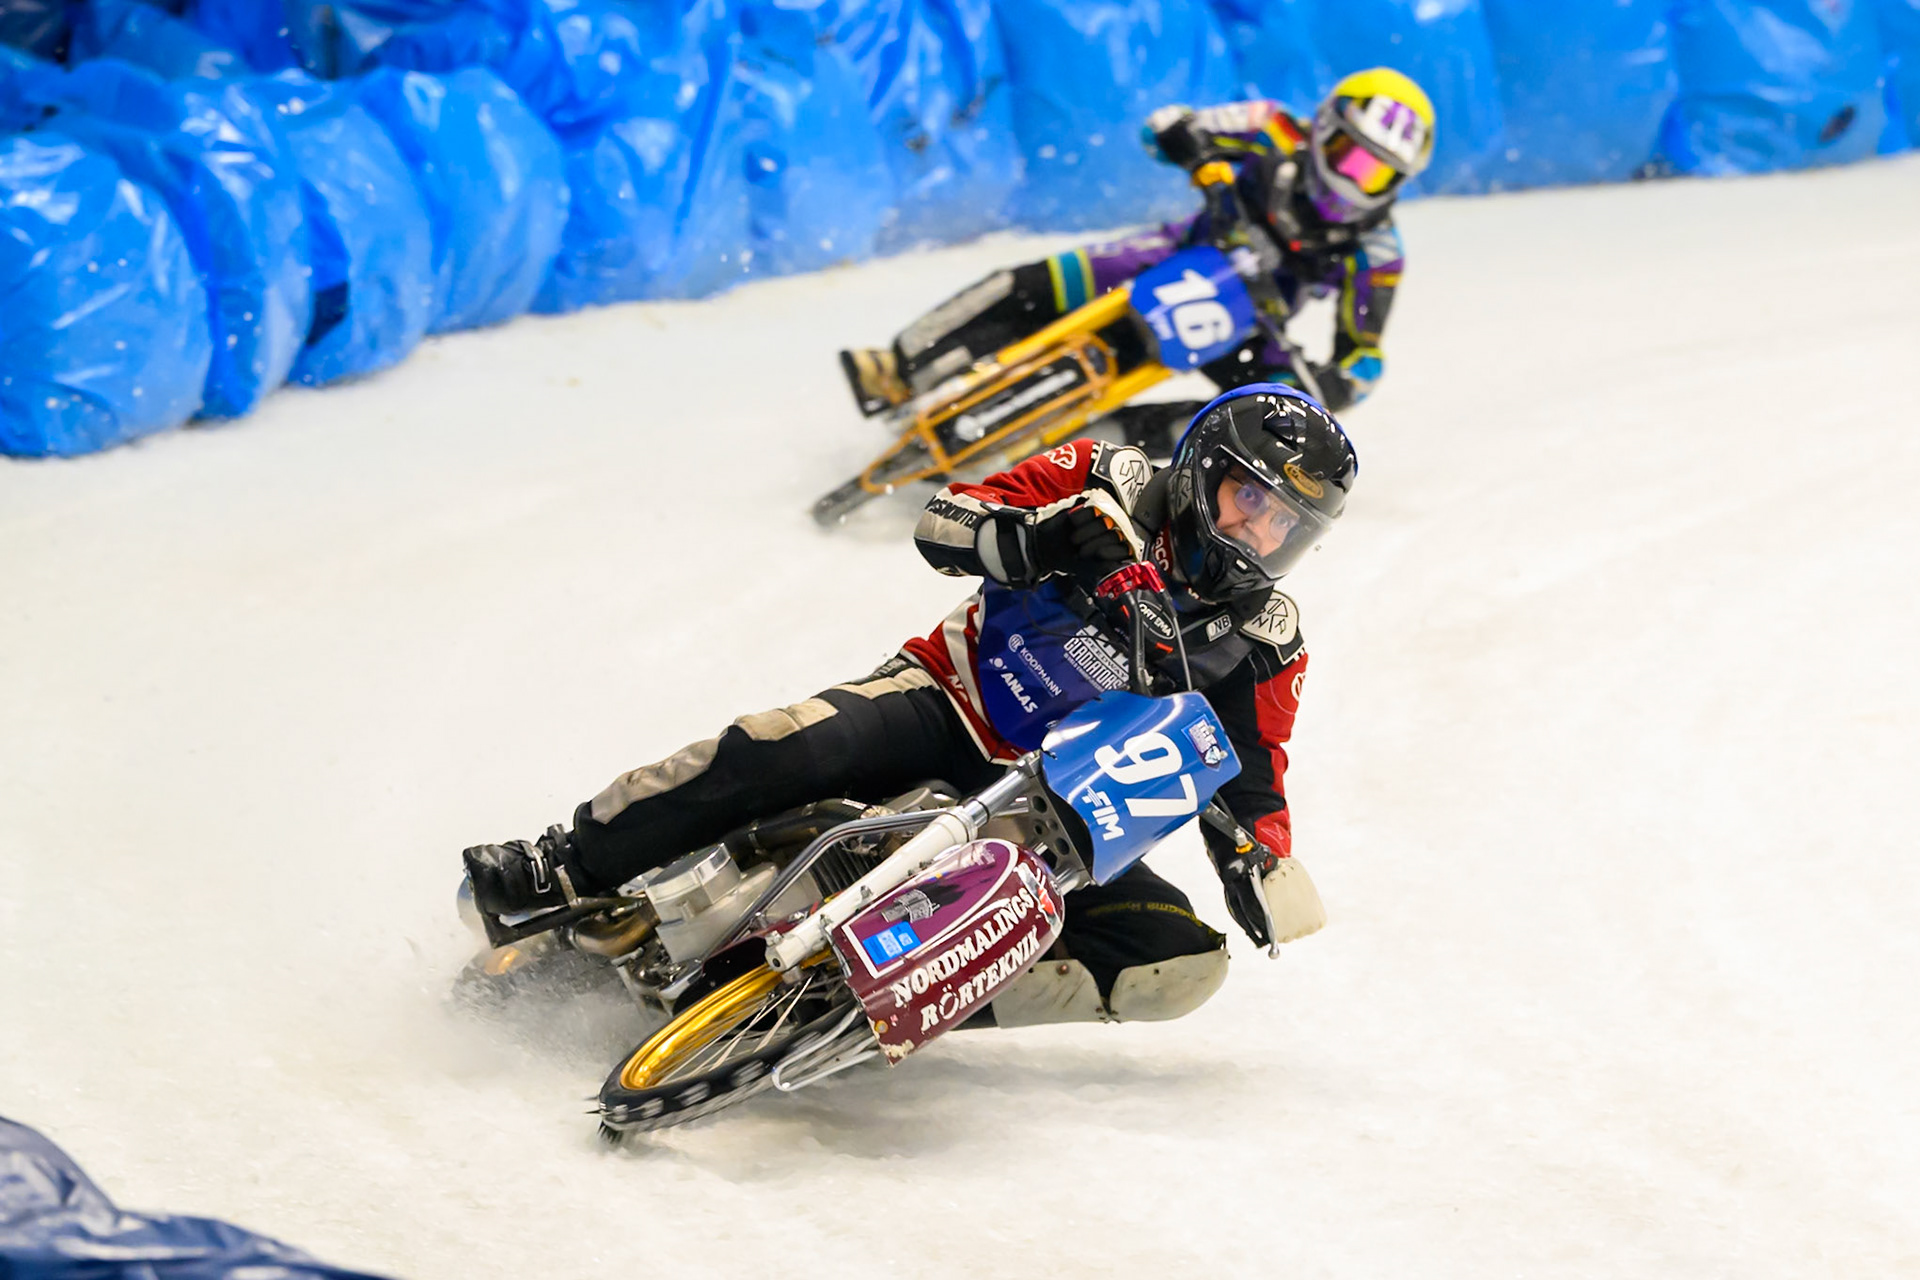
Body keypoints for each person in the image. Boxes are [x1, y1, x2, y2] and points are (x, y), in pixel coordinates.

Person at [464, 384, 1354, 1028]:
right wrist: (1037, 538)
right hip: (949, 700)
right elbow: (944, 521)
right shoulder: (1107, 474)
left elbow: (1251, 768)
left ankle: (855, 1007)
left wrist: (1258, 863)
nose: (1257, 535)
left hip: (1063, 817)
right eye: (1250, 500)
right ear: (1203, 467)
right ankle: (564, 865)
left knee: (1177, 962)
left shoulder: (1269, 634)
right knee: (784, 750)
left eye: (1287, 526)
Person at [839, 68, 1433, 456]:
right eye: (1349, 158)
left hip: (1253, 326)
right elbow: (1165, 129)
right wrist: (1185, 140)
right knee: (1032, 282)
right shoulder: (1269, 126)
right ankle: (900, 366)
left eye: (1377, 173)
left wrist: (1342, 382)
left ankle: (1092, 459)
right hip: (1180, 252)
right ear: (1323, 127)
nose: (1354, 183)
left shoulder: (1378, 253)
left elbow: (1366, 353)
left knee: (1267, 431)